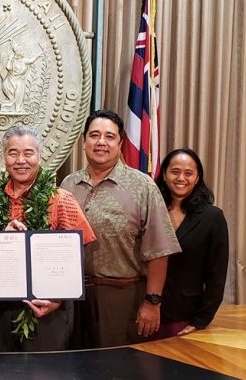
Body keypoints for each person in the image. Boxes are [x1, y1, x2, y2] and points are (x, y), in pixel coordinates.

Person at [60, 109, 181, 349]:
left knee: (116, 369)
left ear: (120, 143)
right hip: (71, 298)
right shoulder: (68, 184)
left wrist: (152, 301)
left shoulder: (142, 186)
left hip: (120, 298)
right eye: (94, 135)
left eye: (109, 136)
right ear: (84, 142)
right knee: (72, 368)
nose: (101, 142)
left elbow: (159, 249)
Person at [0, 125, 97, 352]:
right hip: (2, 307)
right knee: (3, 372)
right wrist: (2, 240)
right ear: (4, 158)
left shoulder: (61, 199)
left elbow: (79, 253)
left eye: (28, 153)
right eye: (13, 153)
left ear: (39, 156)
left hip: (49, 308)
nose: (20, 160)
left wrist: (59, 299)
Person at [152, 148, 229, 338]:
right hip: (146, 311)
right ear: (164, 174)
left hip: (185, 316)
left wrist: (201, 320)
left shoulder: (213, 217)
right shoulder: (150, 210)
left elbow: (216, 275)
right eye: (175, 171)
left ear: (197, 177)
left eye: (188, 173)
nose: (181, 178)